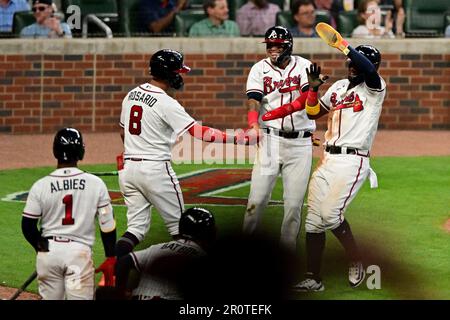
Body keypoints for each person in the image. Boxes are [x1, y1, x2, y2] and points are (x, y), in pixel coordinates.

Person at [263, 29, 386, 291]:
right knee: (314, 220)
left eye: (356, 63)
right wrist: (313, 90)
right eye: (349, 63)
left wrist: (343, 46)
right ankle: (313, 278)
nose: (351, 66)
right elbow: (314, 112)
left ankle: (356, 258)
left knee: (331, 215)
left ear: (370, 66)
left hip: (353, 162)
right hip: (328, 160)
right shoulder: (340, 87)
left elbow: (368, 69)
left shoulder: (375, 88)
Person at [116, 49, 254, 259]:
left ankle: (111, 273)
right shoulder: (166, 103)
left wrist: (133, 152)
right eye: (178, 72)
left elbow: (122, 131)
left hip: (128, 171)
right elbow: (200, 133)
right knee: (183, 230)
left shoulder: (131, 94)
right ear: (169, 73)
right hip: (155, 171)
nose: (180, 76)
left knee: (135, 229)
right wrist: (237, 138)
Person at [242, 26, 315, 252]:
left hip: (300, 144)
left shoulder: (303, 66)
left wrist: (313, 90)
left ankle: (287, 255)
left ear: (288, 45)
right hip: (270, 141)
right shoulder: (259, 69)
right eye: (270, 45)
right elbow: (254, 99)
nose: (273, 49)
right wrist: (253, 123)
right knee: (257, 199)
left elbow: (305, 98)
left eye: (278, 45)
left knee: (293, 206)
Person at [21, 127, 117, 300]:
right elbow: (107, 225)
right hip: (77, 257)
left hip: (49, 255)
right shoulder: (96, 184)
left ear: (55, 151)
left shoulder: (40, 186)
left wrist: (41, 247)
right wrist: (110, 256)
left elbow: (27, 225)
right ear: (80, 151)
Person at [111, 207, 216, 300]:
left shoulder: (158, 248)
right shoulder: (201, 258)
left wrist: (120, 292)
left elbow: (124, 261)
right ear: (207, 234)